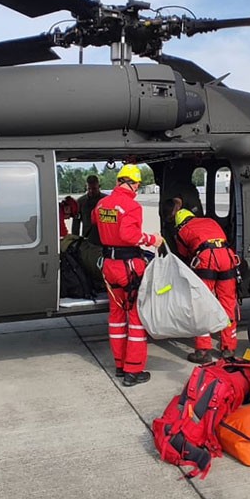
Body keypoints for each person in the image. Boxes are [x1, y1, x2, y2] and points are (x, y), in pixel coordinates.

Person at [93, 164, 162, 387]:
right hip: (129, 266)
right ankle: (133, 370)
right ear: (133, 183)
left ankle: (120, 365)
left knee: (116, 317)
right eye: (137, 185)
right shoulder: (131, 206)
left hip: (109, 267)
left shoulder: (102, 204)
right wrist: (153, 240)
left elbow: (97, 222)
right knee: (135, 319)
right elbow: (129, 234)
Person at [165, 202, 240, 363]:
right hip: (227, 257)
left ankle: (203, 350)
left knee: (201, 305)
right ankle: (229, 348)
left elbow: (184, 254)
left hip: (207, 259)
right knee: (228, 303)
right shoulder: (210, 221)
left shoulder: (182, 230)